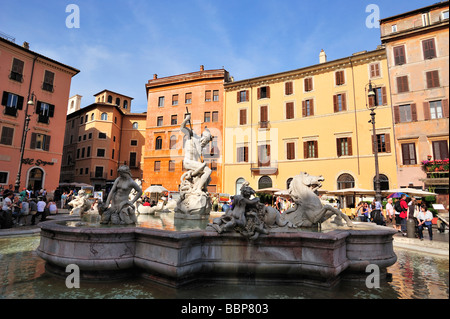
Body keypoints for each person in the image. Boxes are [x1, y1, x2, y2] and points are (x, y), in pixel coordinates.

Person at [180, 112, 213, 194]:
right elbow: (182, 127)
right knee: (208, 171)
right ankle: (198, 189)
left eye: (206, 143)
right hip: (188, 162)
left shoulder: (200, 148)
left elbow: (198, 161)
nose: (205, 144)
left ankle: (203, 189)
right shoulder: (192, 135)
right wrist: (187, 119)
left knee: (209, 178)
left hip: (193, 164)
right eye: (205, 141)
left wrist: (202, 164)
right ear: (203, 138)